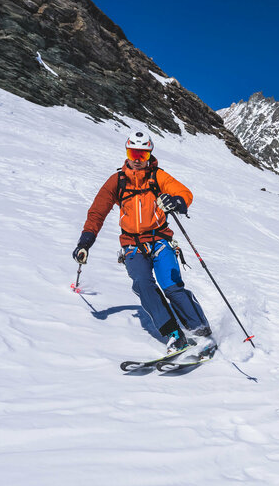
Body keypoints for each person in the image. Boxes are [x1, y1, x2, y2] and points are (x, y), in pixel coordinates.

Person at [72, 130, 211, 353]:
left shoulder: (158, 177)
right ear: (127, 153)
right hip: (132, 244)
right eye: (133, 153)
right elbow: (97, 212)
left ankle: (201, 331)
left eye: (142, 155)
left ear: (149, 155)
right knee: (143, 284)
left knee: (172, 287)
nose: (137, 160)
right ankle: (174, 335)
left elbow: (183, 192)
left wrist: (176, 201)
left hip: (160, 240)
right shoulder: (117, 181)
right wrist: (85, 242)